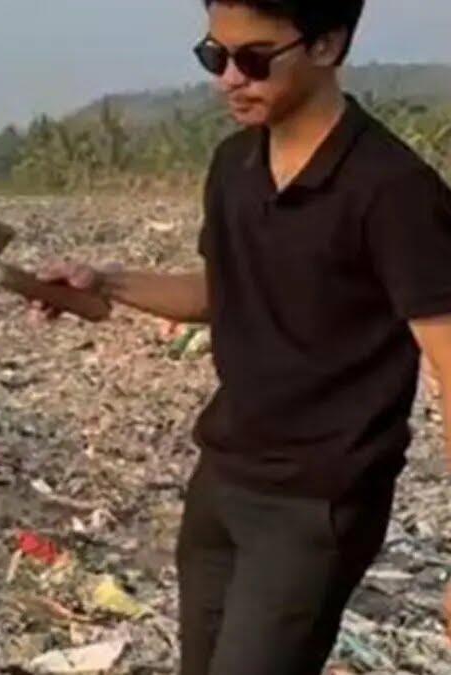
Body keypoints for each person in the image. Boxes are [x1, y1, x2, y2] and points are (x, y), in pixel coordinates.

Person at [28, 1, 451, 673]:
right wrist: (103, 281)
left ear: (328, 44)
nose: (228, 78)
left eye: (253, 59)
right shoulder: (234, 164)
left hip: (316, 503)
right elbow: (222, 292)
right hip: (222, 477)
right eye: (213, 56)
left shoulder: (393, 190)